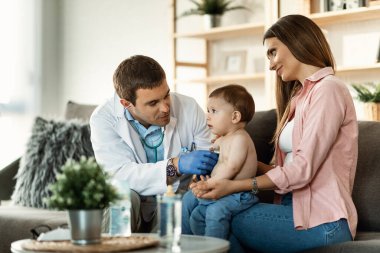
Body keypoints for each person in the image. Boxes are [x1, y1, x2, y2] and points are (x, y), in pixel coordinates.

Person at [186, 14, 358, 253]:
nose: (270, 64)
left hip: (323, 222)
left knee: (212, 213)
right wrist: (237, 161)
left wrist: (234, 186)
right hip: (291, 208)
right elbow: (287, 171)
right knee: (193, 202)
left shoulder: (328, 90)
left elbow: (301, 170)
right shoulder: (299, 98)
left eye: (273, 52)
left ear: (296, 41)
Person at [90, 55, 218, 233]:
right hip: (130, 200)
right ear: (127, 104)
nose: (165, 107)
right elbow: (120, 175)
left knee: (182, 201)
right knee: (122, 197)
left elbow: (212, 152)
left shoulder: (189, 107)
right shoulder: (103, 119)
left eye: (166, 96)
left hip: (174, 198)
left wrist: (203, 175)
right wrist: (175, 165)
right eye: (153, 103)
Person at [184, 84, 259, 239]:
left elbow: (232, 167)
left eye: (214, 111)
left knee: (215, 211)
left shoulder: (240, 139)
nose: (207, 116)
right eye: (208, 110)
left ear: (235, 117)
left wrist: (209, 184)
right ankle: (205, 247)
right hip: (225, 191)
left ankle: (215, 249)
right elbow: (212, 157)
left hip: (240, 194)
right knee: (197, 216)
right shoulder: (224, 138)